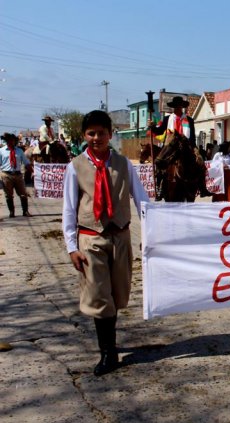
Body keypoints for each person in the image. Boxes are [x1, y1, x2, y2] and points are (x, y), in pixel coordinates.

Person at [62, 110, 149, 376]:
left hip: (120, 236)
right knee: (99, 295)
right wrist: (72, 247)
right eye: (91, 133)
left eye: (101, 133)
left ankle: (110, 344)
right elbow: (69, 209)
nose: (96, 138)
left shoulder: (124, 164)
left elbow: (141, 199)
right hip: (91, 239)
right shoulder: (75, 166)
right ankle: (108, 352)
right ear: (84, 135)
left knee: (118, 294)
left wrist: (153, 231)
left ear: (111, 134)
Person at [147, 96, 211, 199]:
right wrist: (152, 127)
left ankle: (202, 188)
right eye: (175, 106)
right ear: (173, 107)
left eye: (179, 106)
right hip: (170, 145)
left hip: (186, 145)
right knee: (159, 161)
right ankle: (159, 188)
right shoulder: (167, 119)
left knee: (200, 161)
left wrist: (192, 147)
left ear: (182, 107)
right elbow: (160, 131)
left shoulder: (189, 120)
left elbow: (192, 136)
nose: (177, 108)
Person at [0, 132, 34, 218]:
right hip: (6, 175)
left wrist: (33, 172)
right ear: (7, 141)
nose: (12, 142)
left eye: (13, 140)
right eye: (10, 140)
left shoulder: (19, 151)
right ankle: (11, 212)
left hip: (18, 175)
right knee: (8, 195)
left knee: (23, 194)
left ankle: (25, 211)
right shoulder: (1, 151)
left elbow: (26, 162)